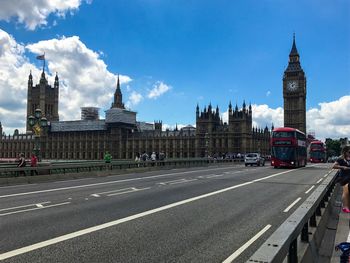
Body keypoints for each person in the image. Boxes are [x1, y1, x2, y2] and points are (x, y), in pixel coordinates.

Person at [333, 146, 350, 213]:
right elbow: (334, 166)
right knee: (346, 190)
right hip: (344, 177)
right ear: (345, 152)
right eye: (349, 152)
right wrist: (343, 167)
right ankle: (345, 206)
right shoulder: (341, 159)